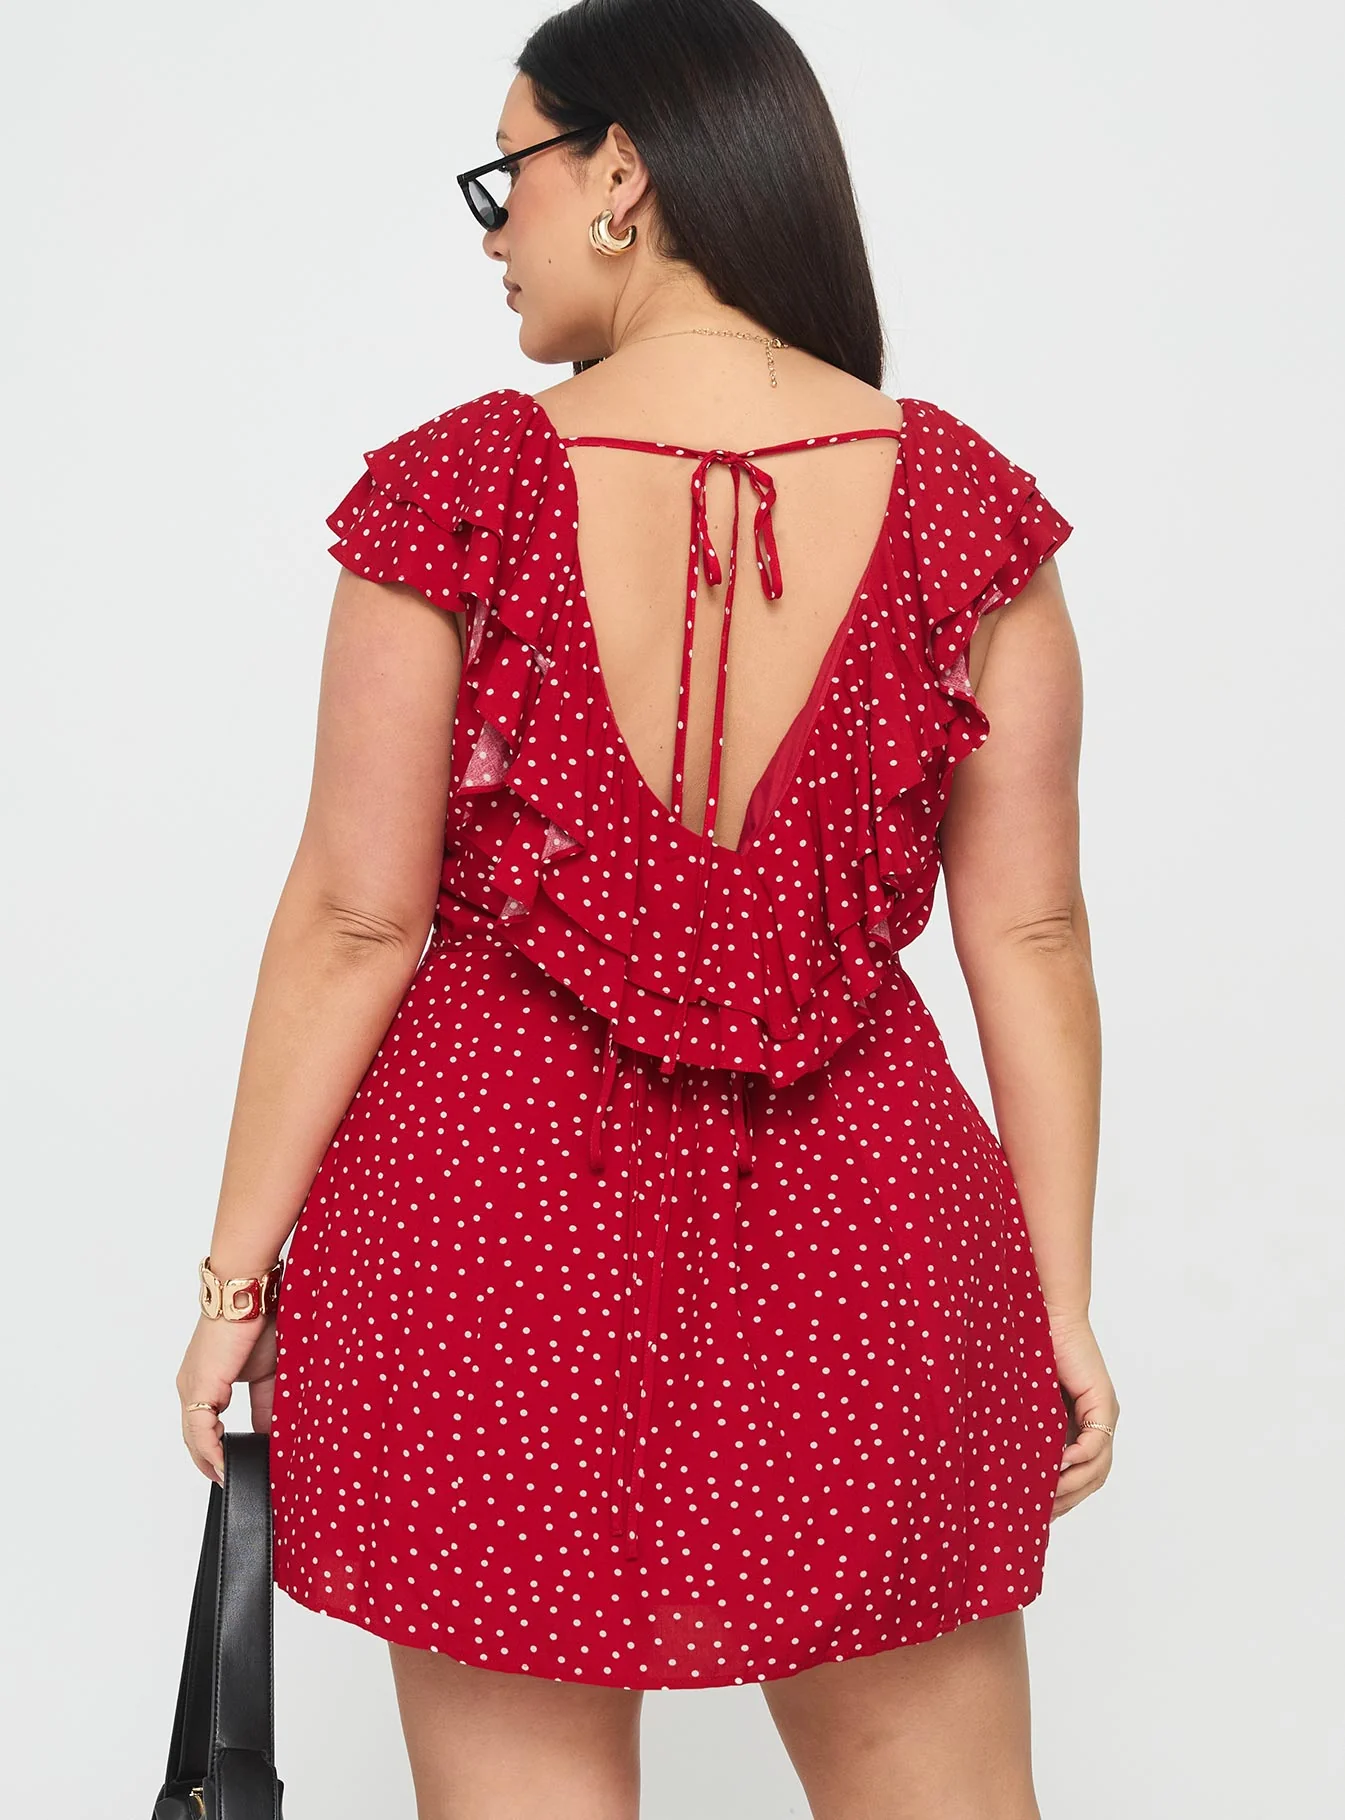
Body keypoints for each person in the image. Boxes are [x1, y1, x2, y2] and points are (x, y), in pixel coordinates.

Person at [175, 3, 1118, 1814]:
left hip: (489, 1232)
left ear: (621, 168)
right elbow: (1034, 935)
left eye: (506, 175)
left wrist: (235, 1281)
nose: (492, 232)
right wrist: (1058, 1300)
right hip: (867, 1243)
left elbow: (357, 919)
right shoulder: (960, 506)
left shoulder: (460, 490)